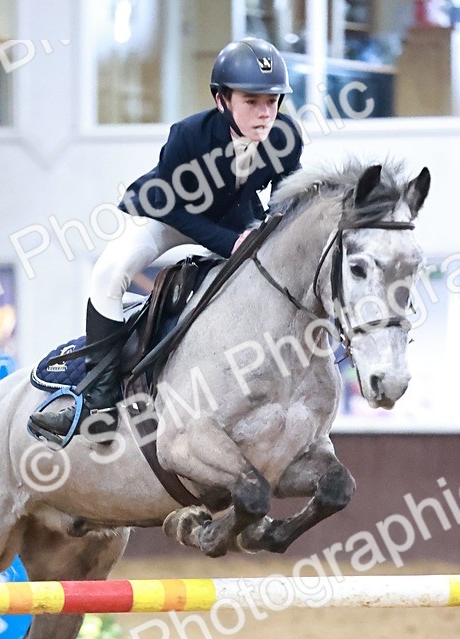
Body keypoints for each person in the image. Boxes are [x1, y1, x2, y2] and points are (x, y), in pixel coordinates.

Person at [29, 37, 303, 443]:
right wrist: (231, 243)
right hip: (167, 214)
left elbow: (284, 198)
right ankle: (97, 405)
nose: (265, 113)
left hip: (233, 218)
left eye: (273, 101)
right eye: (252, 101)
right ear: (222, 99)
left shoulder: (286, 137)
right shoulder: (188, 135)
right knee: (108, 273)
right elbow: (172, 207)